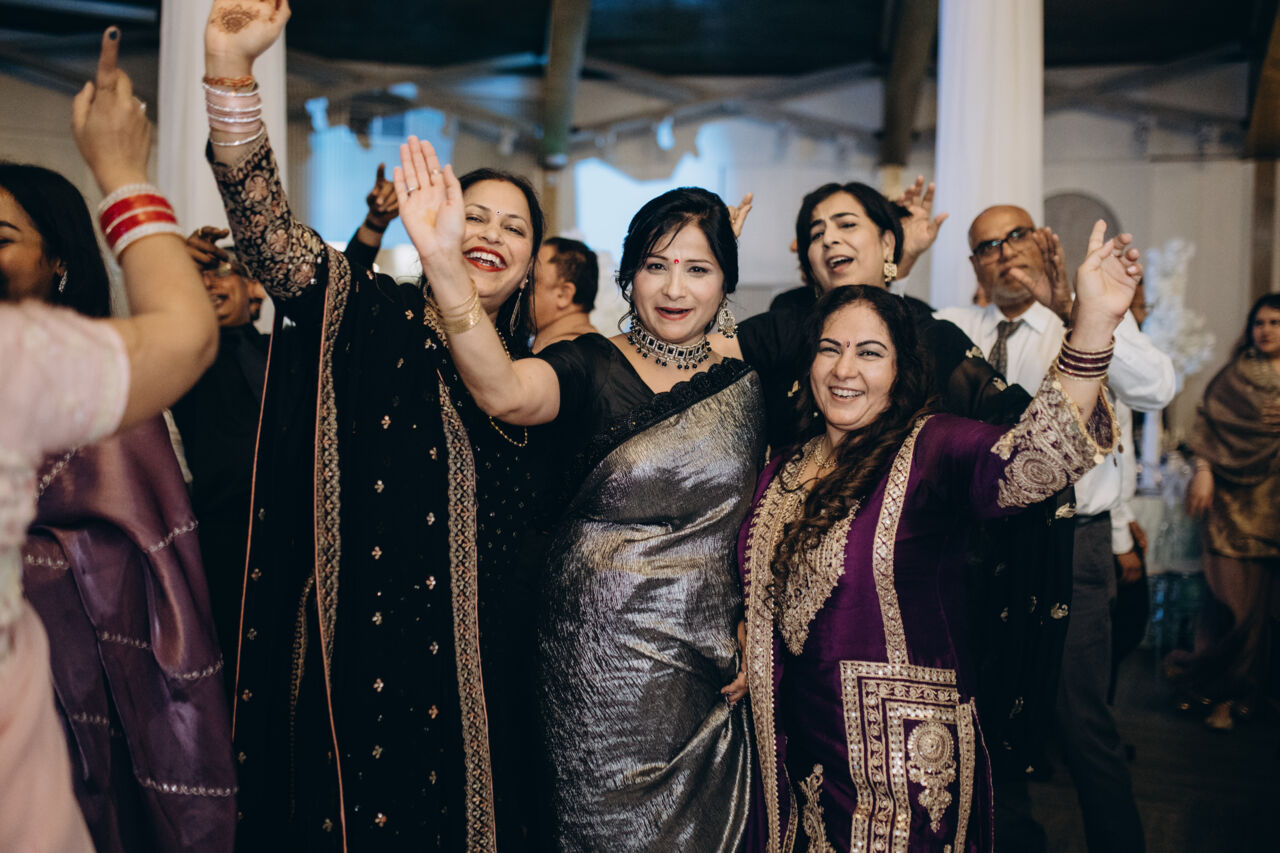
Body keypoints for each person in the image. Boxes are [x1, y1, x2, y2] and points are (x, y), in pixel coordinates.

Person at [203, 3, 546, 848]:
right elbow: (274, 245)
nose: (489, 234)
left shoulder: (547, 376)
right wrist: (231, 75)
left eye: (514, 227)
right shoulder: (375, 315)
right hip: (364, 661)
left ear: (536, 264)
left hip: (498, 678)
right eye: (473, 214)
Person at [393, 135, 757, 850]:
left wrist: (755, 617)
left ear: (725, 282)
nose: (675, 289)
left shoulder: (738, 374)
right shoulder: (588, 364)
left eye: (698, 269)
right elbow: (502, 391)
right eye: (655, 266)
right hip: (597, 669)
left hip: (709, 672)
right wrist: (442, 262)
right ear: (627, 274)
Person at [741, 219, 1140, 851]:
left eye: (869, 353)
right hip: (799, 747)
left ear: (901, 369)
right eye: (829, 348)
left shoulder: (933, 448)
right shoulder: (784, 466)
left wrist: (1092, 324)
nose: (844, 369)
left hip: (901, 762)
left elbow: (1037, 458)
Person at [1, 26, 218, 852]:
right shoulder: (22, 357)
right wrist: (123, 170)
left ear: (57, 259)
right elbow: (184, 335)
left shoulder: (43, 361)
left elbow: (145, 557)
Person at [936, 204, 1177, 853]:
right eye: (987, 245)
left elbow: (1156, 388)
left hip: (1072, 543)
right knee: (985, 716)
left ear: (1043, 245)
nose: (1004, 251)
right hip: (980, 548)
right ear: (975, 266)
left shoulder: (1081, 318)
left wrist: (1080, 311)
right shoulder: (958, 329)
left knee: (1080, 720)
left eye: (1016, 236)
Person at [170, 226, 271, 694]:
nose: (209, 283)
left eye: (222, 272)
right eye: (201, 276)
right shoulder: (186, 359)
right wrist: (178, 269)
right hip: (214, 540)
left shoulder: (281, 351)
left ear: (254, 288)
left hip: (287, 537)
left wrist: (372, 230)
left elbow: (336, 314)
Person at [1175, 292, 1280, 730]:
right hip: (1228, 505)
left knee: (1260, 611)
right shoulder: (1234, 377)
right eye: (1260, 322)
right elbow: (1205, 427)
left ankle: (1239, 695)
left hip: (1272, 507)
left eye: (1275, 322)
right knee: (1229, 605)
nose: (1266, 330)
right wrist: (1203, 470)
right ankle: (1207, 684)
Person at [530, 236, 600, 352]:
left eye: (531, 281)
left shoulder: (568, 354)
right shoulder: (590, 347)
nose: (521, 287)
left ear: (563, 295)